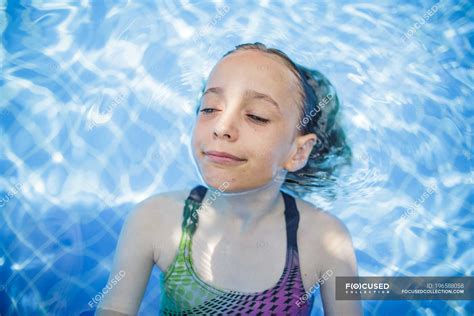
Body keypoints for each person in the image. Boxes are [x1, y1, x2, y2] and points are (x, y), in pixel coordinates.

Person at [95, 42, 362, 315]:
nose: (222, 127)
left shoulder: (326, 241)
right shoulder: (153, 219)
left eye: (256, 116)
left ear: (297, 151)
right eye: (210, 109)